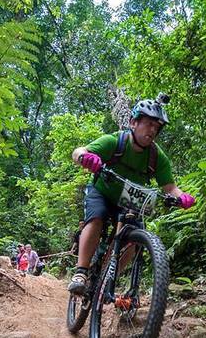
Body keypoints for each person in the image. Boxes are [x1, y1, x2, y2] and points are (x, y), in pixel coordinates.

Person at [67, 94, 196, 294]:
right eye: (148, 124)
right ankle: (81, 272)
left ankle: (107, 279)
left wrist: (182, 196)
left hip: (130, 201)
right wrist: (86, 157)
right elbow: (78, 151)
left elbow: (170, 187)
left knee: (134, 240)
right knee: (96, 219)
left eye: (157, 127)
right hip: (102, 191)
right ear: (133, 123)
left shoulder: (156, 157)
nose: (153, 130)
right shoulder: (115, 141)